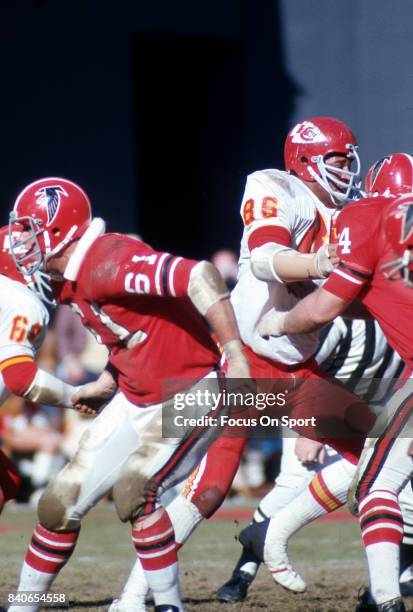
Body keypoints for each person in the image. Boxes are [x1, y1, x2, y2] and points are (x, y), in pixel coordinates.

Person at [109, 117, 375, 611]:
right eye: (338, 159)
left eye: (348, 158)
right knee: (207, 490)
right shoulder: (273, 186)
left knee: (379, 455)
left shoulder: (355, 214)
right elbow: (263, 257)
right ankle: (130, 600)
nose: (348, 168)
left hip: (304, 369)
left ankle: (276, 535)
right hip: (244, 362)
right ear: (304, 161)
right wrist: (321, 264)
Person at [7, 177, 250, 612]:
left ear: (61, 232)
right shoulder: (68, 275)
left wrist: (235, 352)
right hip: (136, 397)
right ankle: (23, 605)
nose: (21, 240)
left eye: (30, 229)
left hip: (190, 390)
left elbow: (201, 274)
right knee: (56, 506)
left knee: (135, 491)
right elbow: (130, 334)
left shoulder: (110, 262)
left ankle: (168, 606)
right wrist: (107, 382)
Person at [217, 152, 413, 607]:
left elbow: (323, 308)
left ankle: (380, 596)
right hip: (289, 377)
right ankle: (254, 556)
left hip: (313, 377)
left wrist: (281, 321)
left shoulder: (366, 218)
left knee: (373, 485)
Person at [0, 225, 99, 515]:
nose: (42, 263)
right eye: (33, 256)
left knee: (7, 481)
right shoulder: (20, 301)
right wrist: (75, 395)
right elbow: (21, 379)